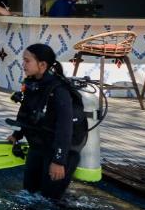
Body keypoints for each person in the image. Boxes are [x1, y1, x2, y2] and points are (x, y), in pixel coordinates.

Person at [6, 44, 88, 201]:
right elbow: (26, 112)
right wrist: (17, 135)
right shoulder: (32, 83)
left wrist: (59, 161)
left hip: (62, 150)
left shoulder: (59, 90)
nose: (23, 65)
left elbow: (65, 128)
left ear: (42, 65)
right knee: (29, 192)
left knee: (49, 201)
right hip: (41, 143)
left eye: (27, 61)